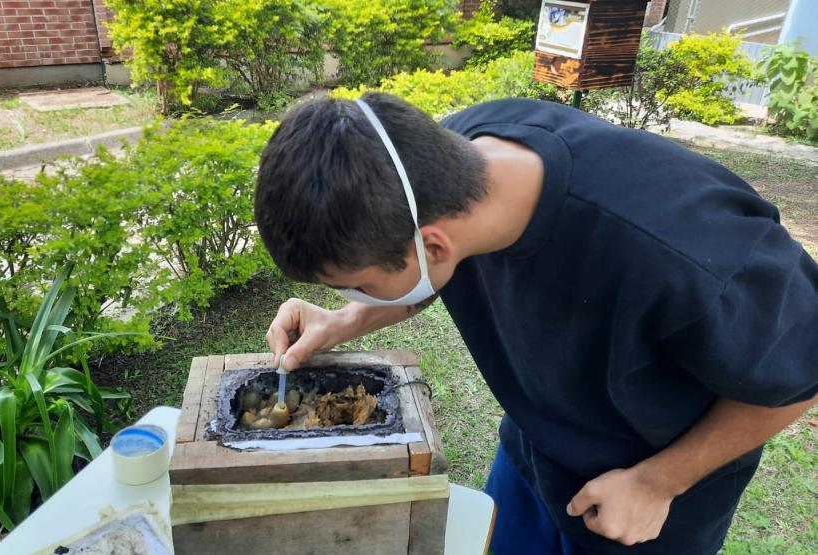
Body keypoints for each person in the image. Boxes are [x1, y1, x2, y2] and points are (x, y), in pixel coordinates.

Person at [253, 93, 818, 554]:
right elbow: (433, 273)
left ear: (432, 243)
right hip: (533, 448)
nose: (355, 295)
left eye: (358, 283)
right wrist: (347, 317)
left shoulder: (676, 246)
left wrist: (658, 482)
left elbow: (800, 371)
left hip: (641, 498)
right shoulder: (439, 171)